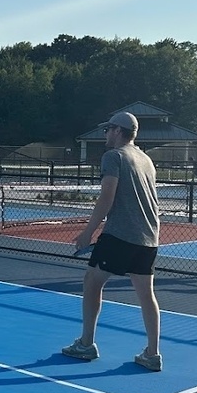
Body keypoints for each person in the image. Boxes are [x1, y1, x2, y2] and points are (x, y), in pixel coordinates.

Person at [63, 111, 163, 371]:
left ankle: (86, 343)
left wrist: (88, 233)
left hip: (121, 234)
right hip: (149, 236)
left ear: (118, 131)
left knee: (92, 281)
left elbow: (107, 197)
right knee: (146, 294)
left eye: (108, 129)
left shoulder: (114, 157)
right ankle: (152, 353)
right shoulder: (146, 159)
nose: (105, 134)